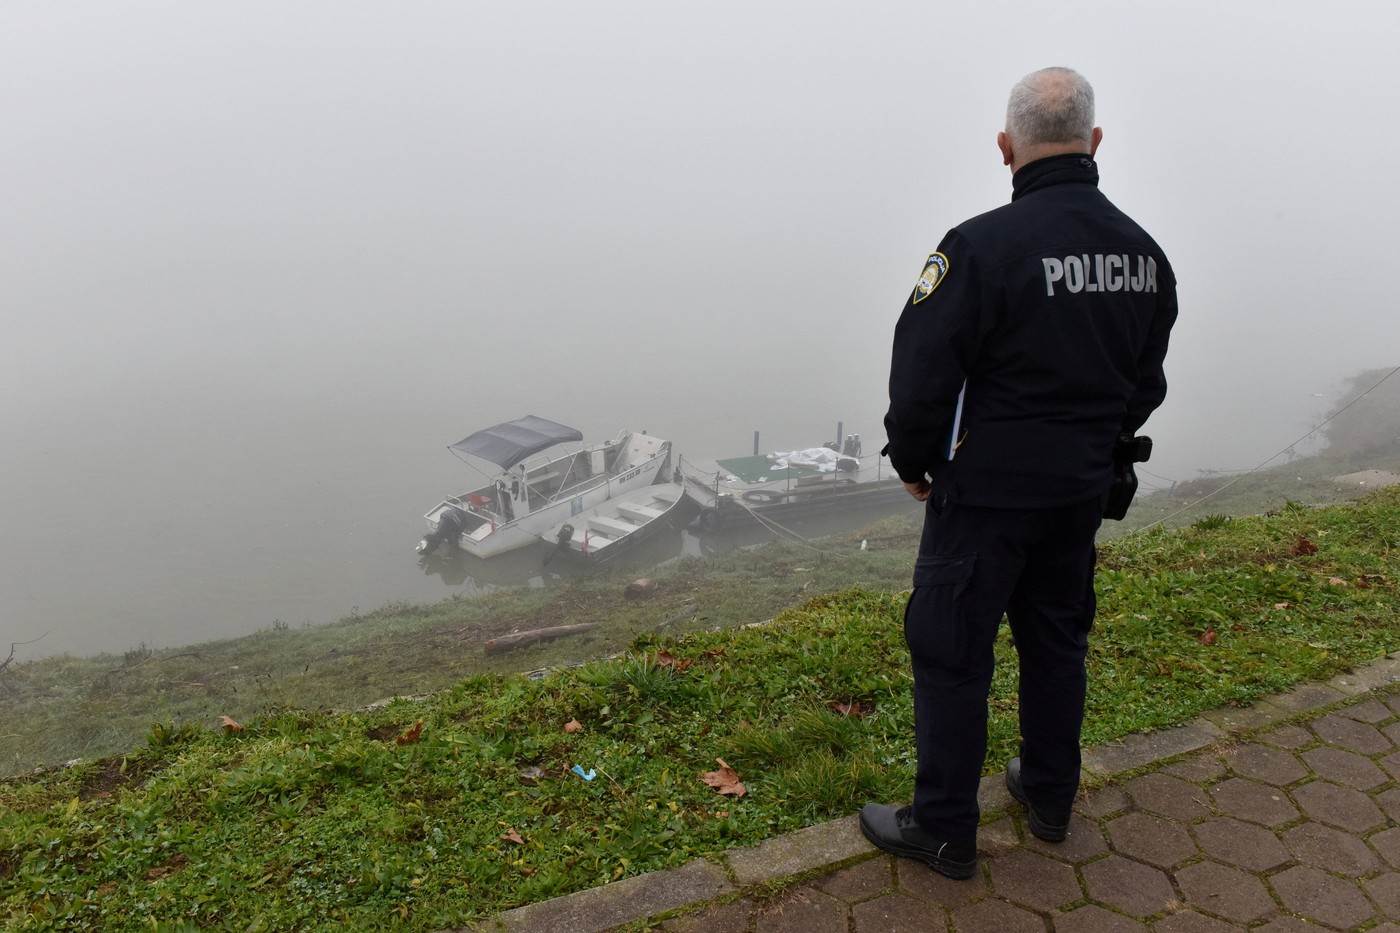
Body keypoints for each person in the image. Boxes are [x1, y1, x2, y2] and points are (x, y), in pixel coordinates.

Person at [860, 66, 1177, 879]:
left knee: (952, 652)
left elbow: (922, 372)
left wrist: (913, 460)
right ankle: (1048, 796)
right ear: (1095, 142)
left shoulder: (978, 248)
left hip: (985, 499)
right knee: (1056, 642)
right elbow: (1145, 384)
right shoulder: (1144, 255)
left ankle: (943, 828)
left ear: (1007, 148)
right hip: (1077, 495)